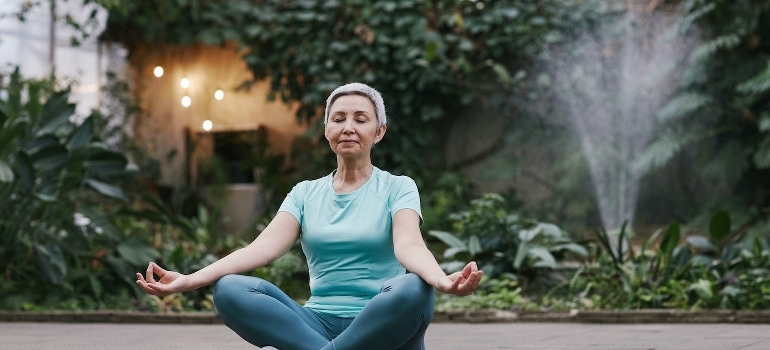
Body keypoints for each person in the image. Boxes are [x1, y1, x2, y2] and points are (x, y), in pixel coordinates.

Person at [135, 82, 483, 350]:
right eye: (339, 118)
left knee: (414, 289)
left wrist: (440, 280)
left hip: (381, 321)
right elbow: (260, 250)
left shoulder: (398, 187)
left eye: (361, 119)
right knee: (229, 289)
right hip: (314, 323)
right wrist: (190, 280)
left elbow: (409, 245)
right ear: (327, 130)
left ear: (379, 132)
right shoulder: (305, 193)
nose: (348, 127)